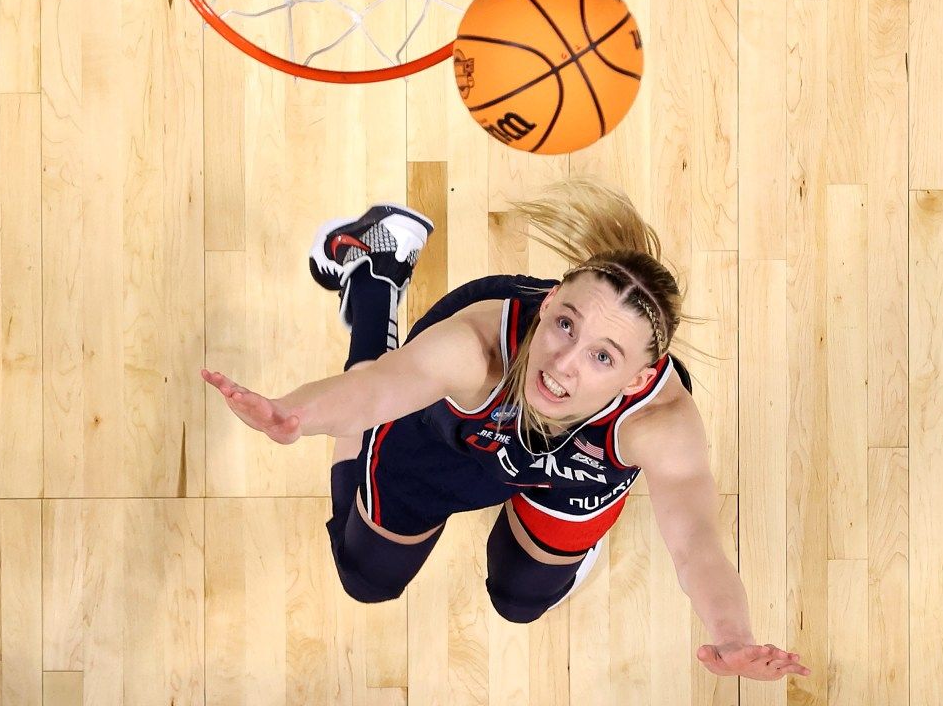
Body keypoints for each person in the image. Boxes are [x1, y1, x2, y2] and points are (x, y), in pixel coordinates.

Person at [201, 179, 810, 681]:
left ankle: (561, 536)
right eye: (566, 324)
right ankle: (375, 274)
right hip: (446, 442)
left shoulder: (659, 422)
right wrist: (295, 416)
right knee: (366, 577)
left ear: (638, 379)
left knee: (520, 602)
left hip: (570, 478)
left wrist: (733, 636)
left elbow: (696, 541)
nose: (564, 364)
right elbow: (374, 392)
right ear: (549, 302)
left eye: (603, 356)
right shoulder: (478, 348)